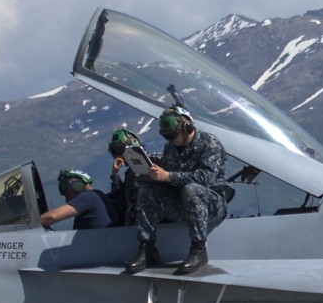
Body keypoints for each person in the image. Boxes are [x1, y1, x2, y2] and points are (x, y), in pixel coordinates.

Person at [125, 107, 232, 276]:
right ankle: (147, 247)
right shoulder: (170, 149)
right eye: (167, 136)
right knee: (147, 189)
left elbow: (205, 178)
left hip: (212, 204)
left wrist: (167, 176)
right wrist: (154, 176)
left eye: (172, 135)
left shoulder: (210, 144)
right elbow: (169, 179)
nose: (171, 140)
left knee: (192, 189)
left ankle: (198, 249)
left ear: (186, 127)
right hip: (183, 203)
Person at [38, 169, 112, 230]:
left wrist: (31, 223)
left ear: (77, 186)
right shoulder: (96, 196)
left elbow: (53, 216)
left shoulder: (88, 197)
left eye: (66, 193)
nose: (67, 200)